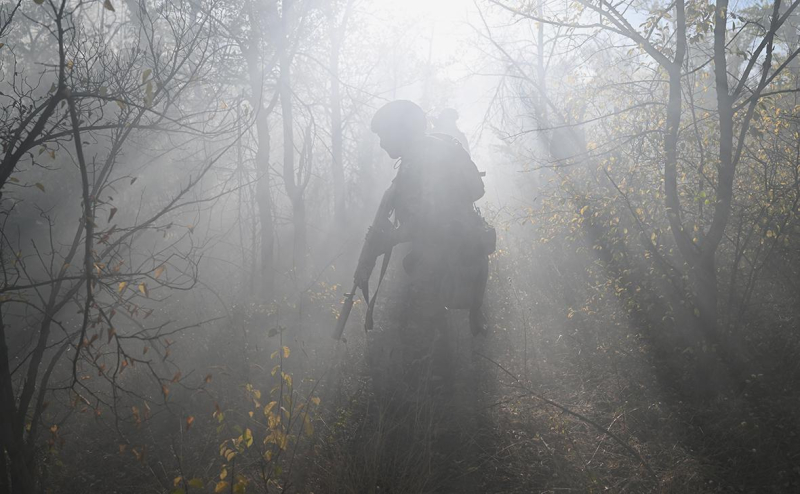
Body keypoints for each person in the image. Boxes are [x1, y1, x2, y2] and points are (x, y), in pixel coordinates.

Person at [359, 100, 490, 352]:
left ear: (403, 130)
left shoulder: (423, 161)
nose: (382, 142)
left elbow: (432, 217)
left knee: (421, 341)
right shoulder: (421, 157)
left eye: (386, 134)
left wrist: (392, 238)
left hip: (447, 262)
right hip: (451, 259)